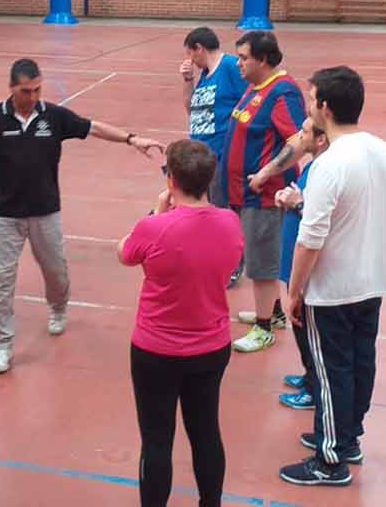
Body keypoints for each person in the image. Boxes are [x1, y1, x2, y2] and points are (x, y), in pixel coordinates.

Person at [0, 59, 163, 374]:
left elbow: (93, 127)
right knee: (1, 281)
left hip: (45, 212)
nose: (33, 96)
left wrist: (132, 139)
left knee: (56, 272)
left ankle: (58, 307)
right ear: (12, 88)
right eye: (27, 91)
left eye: (38, 89)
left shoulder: (55, 116)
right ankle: (1, 345)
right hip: (6, 216)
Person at [279, 66, 386, 487]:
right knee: (361, 363)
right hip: (372, 281)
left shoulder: (330, 164)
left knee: (331, 372)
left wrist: (295, 291)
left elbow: (311, 238)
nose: (308, 105)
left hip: (332, 288)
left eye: (311, 99)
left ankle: (330, 460)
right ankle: (347, 439)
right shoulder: (383, 151)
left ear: (324, 107)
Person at [117, 140, 243, 507]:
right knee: (206, 433)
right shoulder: (230, 223)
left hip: (156, 350)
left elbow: (125, 252)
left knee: (156, 439)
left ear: (171, 179)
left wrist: (157, 213)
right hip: (211, 347)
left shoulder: (154, 228)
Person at [221, 31, 305, 354]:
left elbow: (298, 141)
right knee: (257, 256)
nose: (238, 63)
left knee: (262, 264)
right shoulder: (256, 88)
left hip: (265, 196)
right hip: (244, 193)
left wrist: (267, 172)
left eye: (244, 57)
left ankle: (264, 328)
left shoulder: (283, 93)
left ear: (264, 59)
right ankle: (275, 312)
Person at [250, 117, 330, 411]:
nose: (299, 136)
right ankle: (310, 376)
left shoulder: (325, 171)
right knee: (301, 329)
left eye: (305, 132)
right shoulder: (312, 166)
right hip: (292, 259)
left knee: (308, 329)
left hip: (307, 269)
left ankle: (315, 388)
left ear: (320, 139)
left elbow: (322, 219)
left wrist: (297, 203)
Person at [179, 26, 247, 289]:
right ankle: (212, 256)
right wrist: (188, 80)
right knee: (203, 207)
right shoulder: (205, 76)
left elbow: (250, 97)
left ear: (199, 48)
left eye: (190, 53)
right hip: (201, 153)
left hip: (221, 150)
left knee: (223, 208)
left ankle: (233, 263)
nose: (190, 59)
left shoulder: (229, 66)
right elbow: (191, 108)